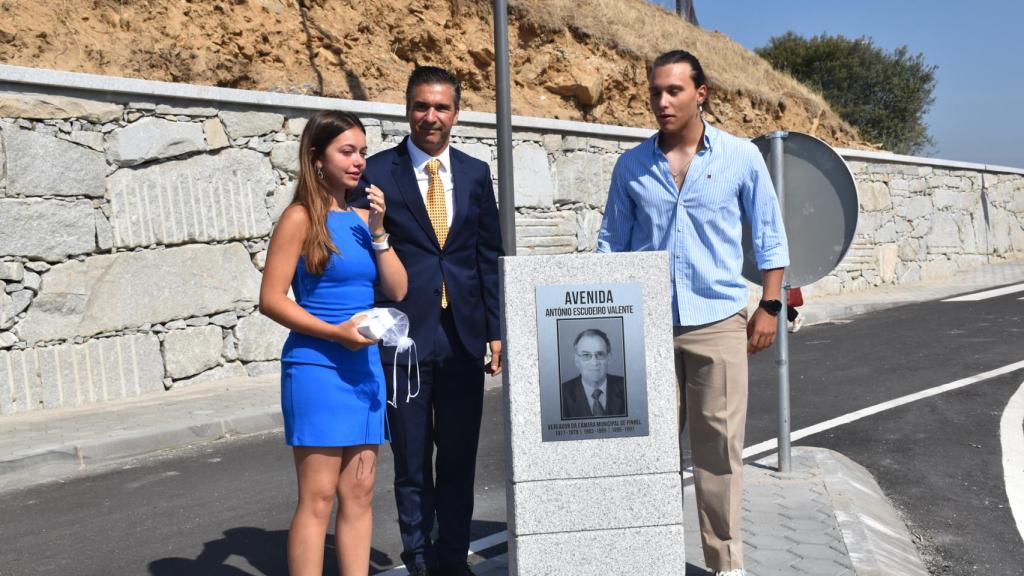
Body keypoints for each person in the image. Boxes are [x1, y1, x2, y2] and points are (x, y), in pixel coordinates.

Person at [597, 50, 789, 576]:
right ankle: (649, 558)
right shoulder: (632, 165)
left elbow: (770, 237)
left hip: (719, 323)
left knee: (719, 455)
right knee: (647, 451)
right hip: (645, 327)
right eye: (655, 91)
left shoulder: (740, 157)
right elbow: (610, 246)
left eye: (673, 91)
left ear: (700, 93)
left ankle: (725, 563)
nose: (661, 101)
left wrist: (769, 306)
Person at [351, 66, 504, 576]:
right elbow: (360, 253)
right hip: (403, 338)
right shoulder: (377, 172)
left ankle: (452, 556)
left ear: (456, 114)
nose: (430, 117)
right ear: (407, 110)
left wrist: (496, 329)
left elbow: (488, 254)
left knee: (459, 456)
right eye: (421, 106)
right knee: (412, 459)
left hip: (463, 335)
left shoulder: (477, 173)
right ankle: (418, 557)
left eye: (441, 107)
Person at [259, 110, 408, 576]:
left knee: (360, 494)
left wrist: (381, 230)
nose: (359, 160)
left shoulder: (365, 219)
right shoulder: (300, 218)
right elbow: (270, 299)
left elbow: (399, 289)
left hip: (363, 371)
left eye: (362, 151)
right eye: (347, 151)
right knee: (319, 498)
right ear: (316, 157)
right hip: (317, 368)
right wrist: (333, 333)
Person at [560, 328, 627, 419]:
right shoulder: (562, 394)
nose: (594, 363)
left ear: (609, 358)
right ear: (576, 360)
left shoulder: (627, 387)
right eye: (586, 355)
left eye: (600, 354)